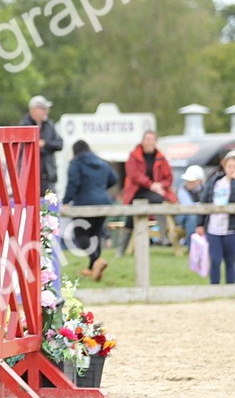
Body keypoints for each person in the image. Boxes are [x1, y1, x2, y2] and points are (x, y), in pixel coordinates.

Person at [196, 150, 235, 285]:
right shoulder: (214, 181)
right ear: (224, 166)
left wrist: (234, 181)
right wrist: (200, 223)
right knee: (215, 260)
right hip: (213, 227)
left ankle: (230, 289)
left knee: (230, 261)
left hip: (233, 228)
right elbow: (204, 201)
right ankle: (214, 288)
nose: (232, 169)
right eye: (229, 166)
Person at [62, 140, 117, 281]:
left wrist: (66, 201)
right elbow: (114, 179)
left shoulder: (76, 163)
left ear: (75, 151)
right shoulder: (102, 162)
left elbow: (73, 183)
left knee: (80, 235)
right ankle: (93, 269)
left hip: (84, 203)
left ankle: (97, 260)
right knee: (95, 234)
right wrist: (99, 189)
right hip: (103, 203)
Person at [119, 130, 177, 252]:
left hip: (154, 191)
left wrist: (160, 185)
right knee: (131, 218)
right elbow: (134, 175)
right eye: (147, 139)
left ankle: (164, 236)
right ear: (142, 141)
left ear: (155, 141)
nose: (149, 142)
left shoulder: (160, 157)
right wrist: (151, 185)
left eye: (152, 140)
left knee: (160, 201)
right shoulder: (134, 156)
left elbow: (169, 178)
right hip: (136, 191)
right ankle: (121, 249)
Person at [19, 95, 63, 195]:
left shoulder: (49, 125)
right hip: (30, 176)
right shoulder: (24, 126)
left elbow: (60, 144)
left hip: (48, 176)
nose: (46, 112)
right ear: (33, 110)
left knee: (50, 206)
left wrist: (45, 144)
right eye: (43, 109)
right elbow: (22, 149)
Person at [176, 165, 205, 244]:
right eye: (187, 180)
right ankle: (191, 245)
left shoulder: (205, 189)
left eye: (191, 181)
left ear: (199, 181)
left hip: (200, 215)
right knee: (192, 217)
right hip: (183, 215)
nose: (188, 183)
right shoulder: (182, 189)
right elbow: (188, 207)